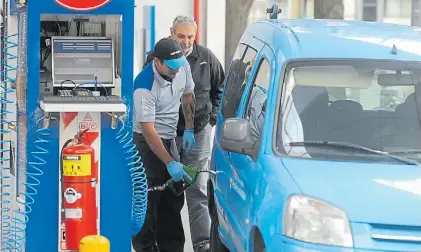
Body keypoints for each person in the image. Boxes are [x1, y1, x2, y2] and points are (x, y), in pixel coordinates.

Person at [143, 15, 225, 252]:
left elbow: (220, 89)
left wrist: (210, 120)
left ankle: (202, 243)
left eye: (190, 37)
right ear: (171, 33)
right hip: (165, 134)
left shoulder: (206, 58)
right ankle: (165, 242)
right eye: (181, 36)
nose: (186, 42)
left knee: (196, 188)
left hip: (197, 133)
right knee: (167, 189)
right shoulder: (156, 58)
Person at [132, 37, 196, 252]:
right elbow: (148, 131)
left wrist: (189, 128)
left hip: (170, 138)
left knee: (172, 201)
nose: (176, 72)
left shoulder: (182, 66)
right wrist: (169, 163)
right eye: (171, 67)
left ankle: (173, 248)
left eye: (178, 66)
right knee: (148, 202)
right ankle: (146, 248)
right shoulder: (144, 86)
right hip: (146, 144)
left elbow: (188, 96)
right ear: (157, 62)